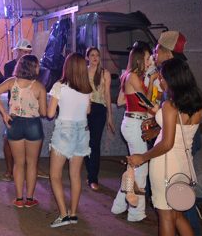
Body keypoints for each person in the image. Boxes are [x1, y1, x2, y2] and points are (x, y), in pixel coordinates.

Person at [128, 58, 202, 236]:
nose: (160, 81)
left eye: (162, 78)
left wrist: (142, 157)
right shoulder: (197, 104)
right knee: (177, 215)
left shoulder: (170, 105)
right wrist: (157, 131)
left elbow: (168, 143)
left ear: (173, 79)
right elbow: (181, 131)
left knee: (166, 217)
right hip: (184, 164)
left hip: (165, 166)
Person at [0, 54, 47, 208]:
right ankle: (30, 199)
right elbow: (43, 112)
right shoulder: (39, 86)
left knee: (18, 163)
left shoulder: (11, 82)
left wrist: (4, 114)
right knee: (32, 163)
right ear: (33, 67)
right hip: (33, 125)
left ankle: (19, 199)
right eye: (37, 65)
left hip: (14, 124)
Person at [47, 53, 92, 227]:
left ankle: (63, 214)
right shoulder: (86, 88)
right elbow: (88, 111)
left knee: (55, 175)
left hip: (65, 131)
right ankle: (73, 213)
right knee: (75, 175)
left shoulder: (59, 86)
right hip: (82, 130)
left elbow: (50, 113)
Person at [111, 44, 154, 222]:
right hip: (135, 123)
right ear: (139, 59)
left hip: (132, 122)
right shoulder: (134, 76)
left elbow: (120, 101)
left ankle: (119, 205)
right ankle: (136, 212)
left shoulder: (128, 75)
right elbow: (147, 102)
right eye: (147, 58)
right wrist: (151, 80)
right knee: (141, 168)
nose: (149, 61)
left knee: (133, 167)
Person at [0, 39, 33, 182]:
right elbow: (9, 85)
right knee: (8, 140)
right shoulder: (9, 66)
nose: (26, 55)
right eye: (24, 52)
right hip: (14, 107)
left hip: (29, 107)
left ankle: (25, 169)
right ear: (18, 51)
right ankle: (9, 170)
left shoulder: (33, 66)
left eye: (28, 52)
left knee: (28, 141)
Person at [84, 47, 115, 191]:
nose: (95, 57)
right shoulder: (83, 72)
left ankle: (93, 178)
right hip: (84, 109)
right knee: (84, 143)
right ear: (87, 57)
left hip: (99, 109)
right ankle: (90, 172)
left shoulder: (104, 73)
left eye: (97, 55)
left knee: (94, 144)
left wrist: (110, 116)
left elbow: (107, 94)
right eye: (92, 55)